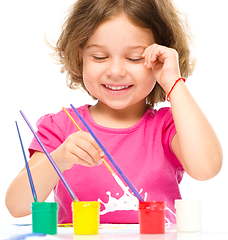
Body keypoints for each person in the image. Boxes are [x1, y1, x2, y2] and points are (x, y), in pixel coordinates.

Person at [6, 0, 222, 224]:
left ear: (160, 58)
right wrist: (58, 159)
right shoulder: (61, 126)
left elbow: (206, 168)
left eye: (135, 58)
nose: (116, 71)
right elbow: (17, 206)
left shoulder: (168, 126)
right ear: (81, 56)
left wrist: (173, 82)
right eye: (99, 57)